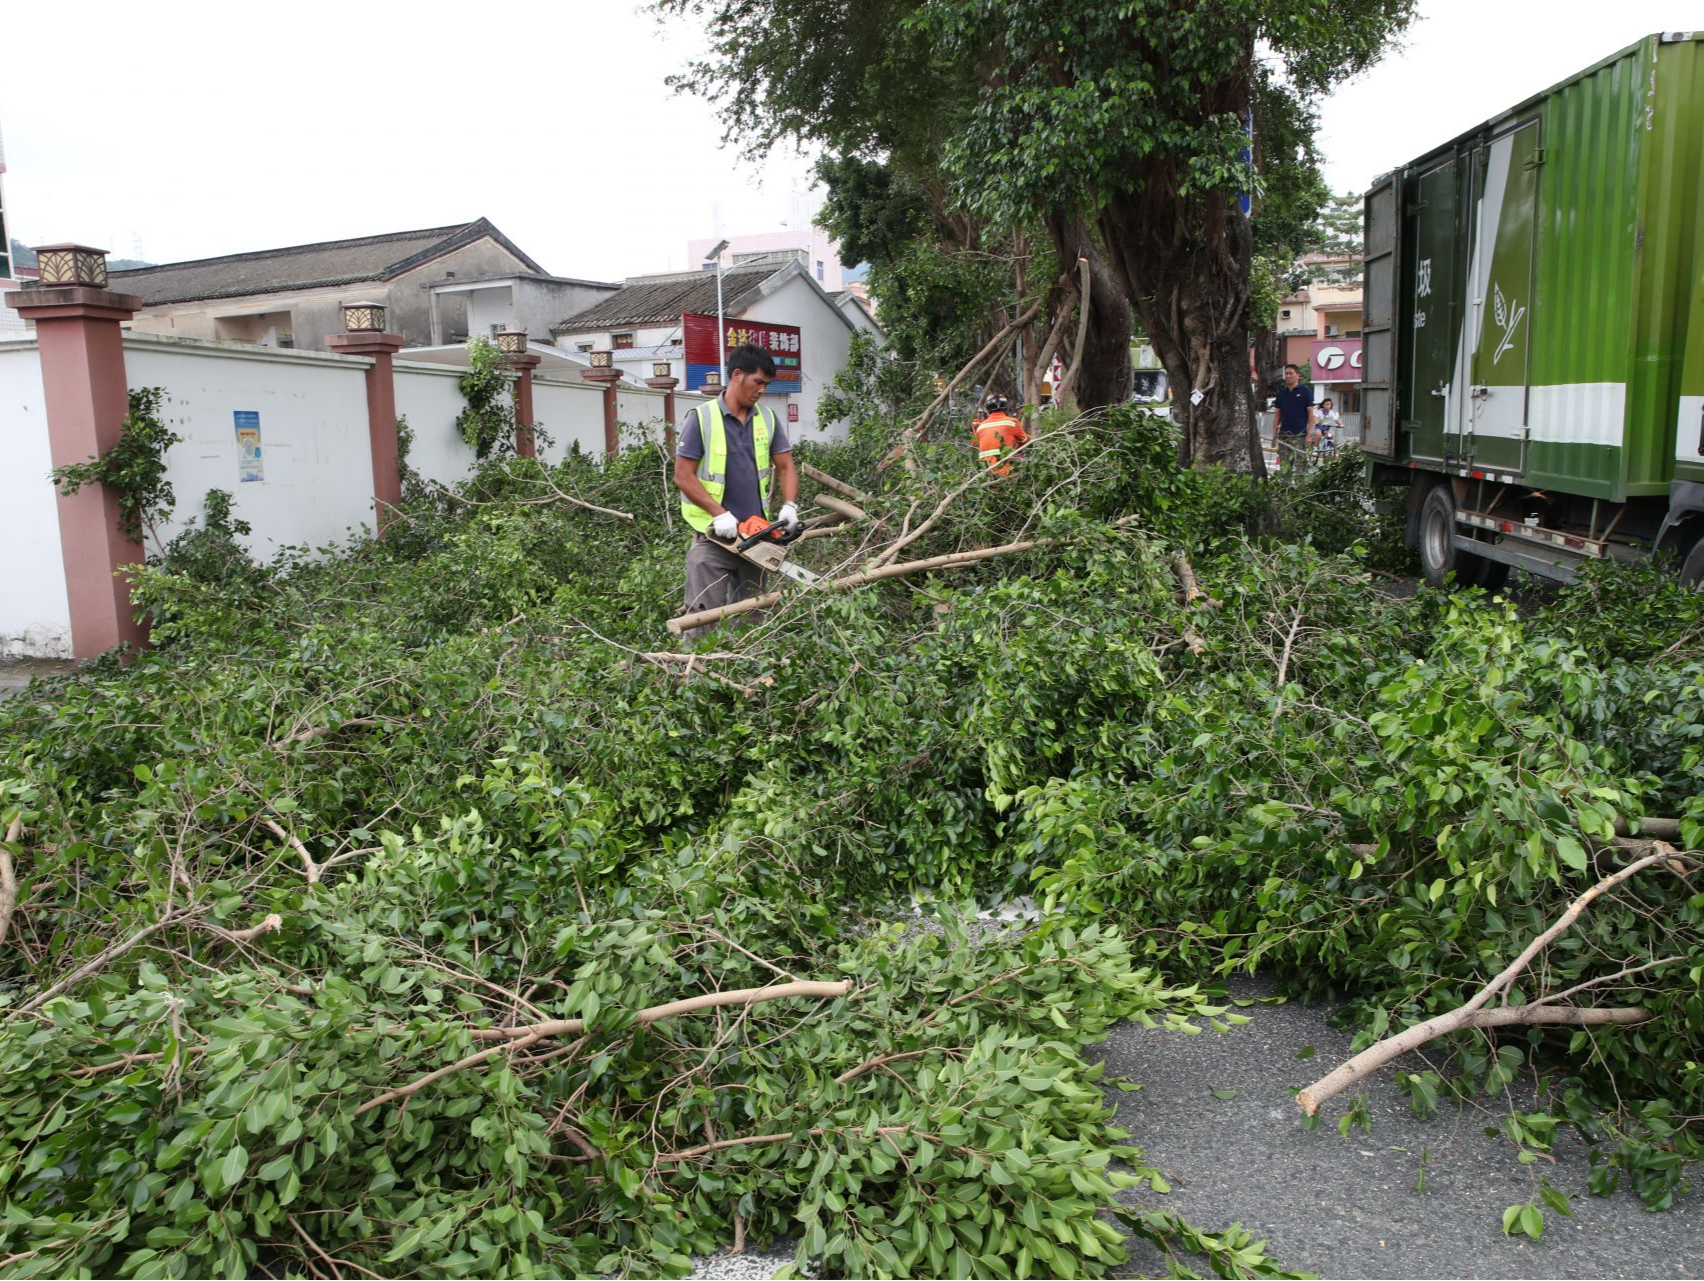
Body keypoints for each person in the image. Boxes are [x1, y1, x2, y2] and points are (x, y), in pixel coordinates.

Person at [673, 344, 799, 638]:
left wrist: (790, 506)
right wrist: (719, 514)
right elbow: (683, 476)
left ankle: (746, 676)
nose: (761, 390)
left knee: (752, 620)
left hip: (756, 538)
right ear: (738, 375)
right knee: (702, 620)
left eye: (766, 384)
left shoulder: (766, 418)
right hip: (713, 538)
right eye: (758, 382)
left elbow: (786, 466)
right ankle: (697, 675)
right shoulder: (701, 418)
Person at [1269, 364, 1316, 464]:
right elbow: (1277, 415)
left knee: (1300, 465)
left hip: (1300, 435)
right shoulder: (1281, 393)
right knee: (1284, 467)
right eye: (1286, 374)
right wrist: (1274, 436)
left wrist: (1309, 435)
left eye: (1291, 373)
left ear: (1298, 375)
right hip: (1284, 435)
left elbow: (1311, 414)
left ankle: (1300, 479)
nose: (1288, 376)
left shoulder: (1306, 391)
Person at [974, 395, 1030, 476]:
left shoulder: (980, 426)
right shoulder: (1012, 422)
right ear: (1005, 407)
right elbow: (1026, 442)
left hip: (985, 472)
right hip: (1005, 471)